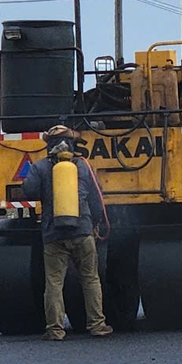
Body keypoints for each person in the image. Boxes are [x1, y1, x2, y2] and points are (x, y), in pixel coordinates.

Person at [18, 125, 112, 338]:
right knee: (90, 279)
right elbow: (97, 198)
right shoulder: (83, 166)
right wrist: (95, 224)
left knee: (53, 282)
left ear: (48, 145)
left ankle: (55, 329)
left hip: (54, 234)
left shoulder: (40, 167)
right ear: (72, 144)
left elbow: (29, 191)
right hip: (83, 232)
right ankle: (97, 326)